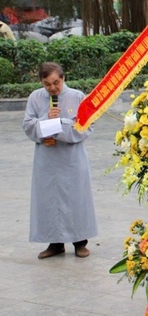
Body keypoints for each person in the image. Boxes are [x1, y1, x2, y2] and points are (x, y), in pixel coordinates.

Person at [22, 62, 98, 259]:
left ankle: (80, 242)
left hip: (71, 158)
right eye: (47, 84)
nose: (52, 88)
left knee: (76, 199)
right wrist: (45, 121)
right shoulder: (35, 98)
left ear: (63, 78)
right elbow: (28, 125)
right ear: (41, 82)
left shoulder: (78, 97)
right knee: (48, 199)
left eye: (56, 82)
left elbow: (86, 127)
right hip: (46, 160)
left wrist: (55, 130)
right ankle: (54, 243)